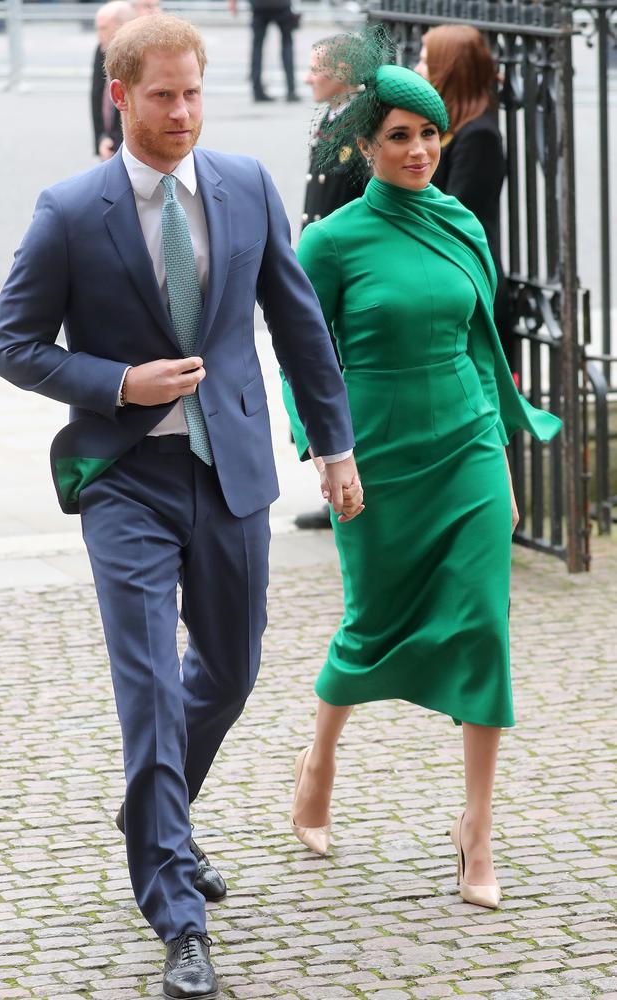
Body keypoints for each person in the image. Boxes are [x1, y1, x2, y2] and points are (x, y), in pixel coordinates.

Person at [0, 14, 363, 998]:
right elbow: (13, 344)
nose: (182, 113)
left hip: (232, 474)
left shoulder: (244, 186)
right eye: (162, 95)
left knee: (230, 671)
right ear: (121, 97)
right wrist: (121, 380)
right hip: (126, 481)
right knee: (150, 687)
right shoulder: (70, 209)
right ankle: (177, 913)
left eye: (193, 92)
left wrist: (333, 445)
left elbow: (296, 319)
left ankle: (152, 817)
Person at [282, 52, 561, 909]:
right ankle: (320, 756)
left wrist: (504, 464)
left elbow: (484, 349)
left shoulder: (461, 226)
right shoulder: (331, 242)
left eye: (431, 133)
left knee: (484, 624)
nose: (419, 150)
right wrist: (328, 454)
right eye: (399, 136)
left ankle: (477, 829)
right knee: (371, 624)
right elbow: (302, 358)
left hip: (467, 445)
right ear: (365, 146)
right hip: (378, 456)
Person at [295, 33, 370, 530]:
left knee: (334, 371)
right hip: (321, 257)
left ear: (344, 71)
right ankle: (334, 482)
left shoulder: (358, 122)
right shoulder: (330, 117)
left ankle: (344, 484)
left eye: (318, 68)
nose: (308, 78)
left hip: (343, 264)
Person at [415, 25, 515, 371]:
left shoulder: (480, 136)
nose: (418, 69)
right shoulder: (448, 128)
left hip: (470, 286)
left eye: (426, 61)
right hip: (446, 279)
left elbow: (456, 216)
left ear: (449, 68)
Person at [229, 0, 300, 102]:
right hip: (282, 5)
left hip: (259, 5)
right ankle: (291, 90)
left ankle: (257, 90)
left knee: (257, 47)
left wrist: (232, 3)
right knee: (287, 44)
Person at [91, 0, 134, 161]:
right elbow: (96, 97)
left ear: (120, 27)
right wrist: (101, 138)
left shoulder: (138, 56)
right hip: (108, 145)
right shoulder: (101, 49)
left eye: (103, 28)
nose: (98, 34)